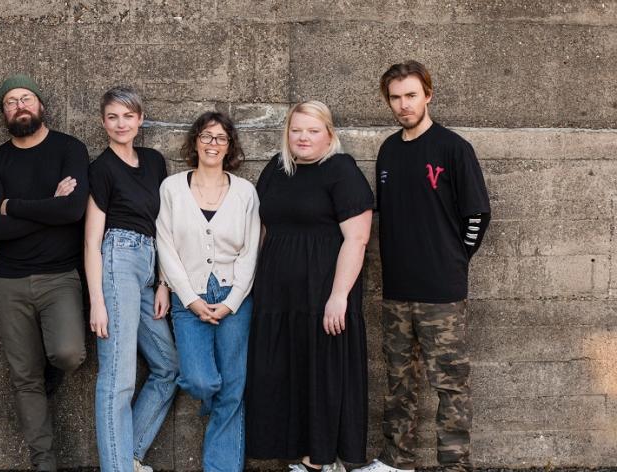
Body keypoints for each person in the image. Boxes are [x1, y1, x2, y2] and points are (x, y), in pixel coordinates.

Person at [354, 61, 490, 472]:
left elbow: (477, 215)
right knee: (398, 384)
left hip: (442, 294)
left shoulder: (453, 148)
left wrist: (453, 260)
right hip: (396, 291)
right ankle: (397, 461)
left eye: (410, 95)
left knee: (450, 385)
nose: (403, 105)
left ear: (428, 95)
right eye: (395, 98)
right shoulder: (389, 151)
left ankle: (454, 465)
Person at [244, 101, 374, 472]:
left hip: (322, 293)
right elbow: (265, 229)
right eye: (296, 129)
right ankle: (298, 453)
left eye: (313, 130)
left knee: (321, 373)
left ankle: (318, 460)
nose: (303, 137)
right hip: (277, 295)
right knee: (284, 372)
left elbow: (358, 238)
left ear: (329, 134)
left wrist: (339, 297)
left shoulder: (341, 171)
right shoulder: (276, 169)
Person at [0, 74, 89, 472]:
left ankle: (48, 370)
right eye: (11, 101)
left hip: (61, 278)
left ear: (41, 106)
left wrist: (14, 206)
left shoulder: (69, 149)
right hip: (9, 281)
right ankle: (44, 462)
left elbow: (73, 212)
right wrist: (48, 207)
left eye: (26, 98)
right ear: (4, 113)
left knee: (69, 353)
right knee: (24, 379)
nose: (20, 105)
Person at [156, 111, 260, 472]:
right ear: (194, 141)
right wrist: (190, 299)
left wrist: (232, 303)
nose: (212, 144)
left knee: (233, 388)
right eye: (206, 136)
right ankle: (210, 400)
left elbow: (250, 252)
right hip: (189, 299)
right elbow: (165, 247)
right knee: (201, 380)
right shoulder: (171, 188)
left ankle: (221, 467)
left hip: (235, 297)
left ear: (229, 146)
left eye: (220, 138)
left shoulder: (246, 192)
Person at [85, 86, 179, 472]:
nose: (120, 124)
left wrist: (163, 282)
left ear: (140, 120)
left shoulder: (155, 162)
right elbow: (92, 241)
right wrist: (97, 301)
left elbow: (164, 225)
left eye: (128, 116)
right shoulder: (101, 168)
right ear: (103, 122)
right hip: (116, 260)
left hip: (149, 263)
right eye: (112, 117)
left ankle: (130, 456)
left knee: (170, 367)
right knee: (118, 376)